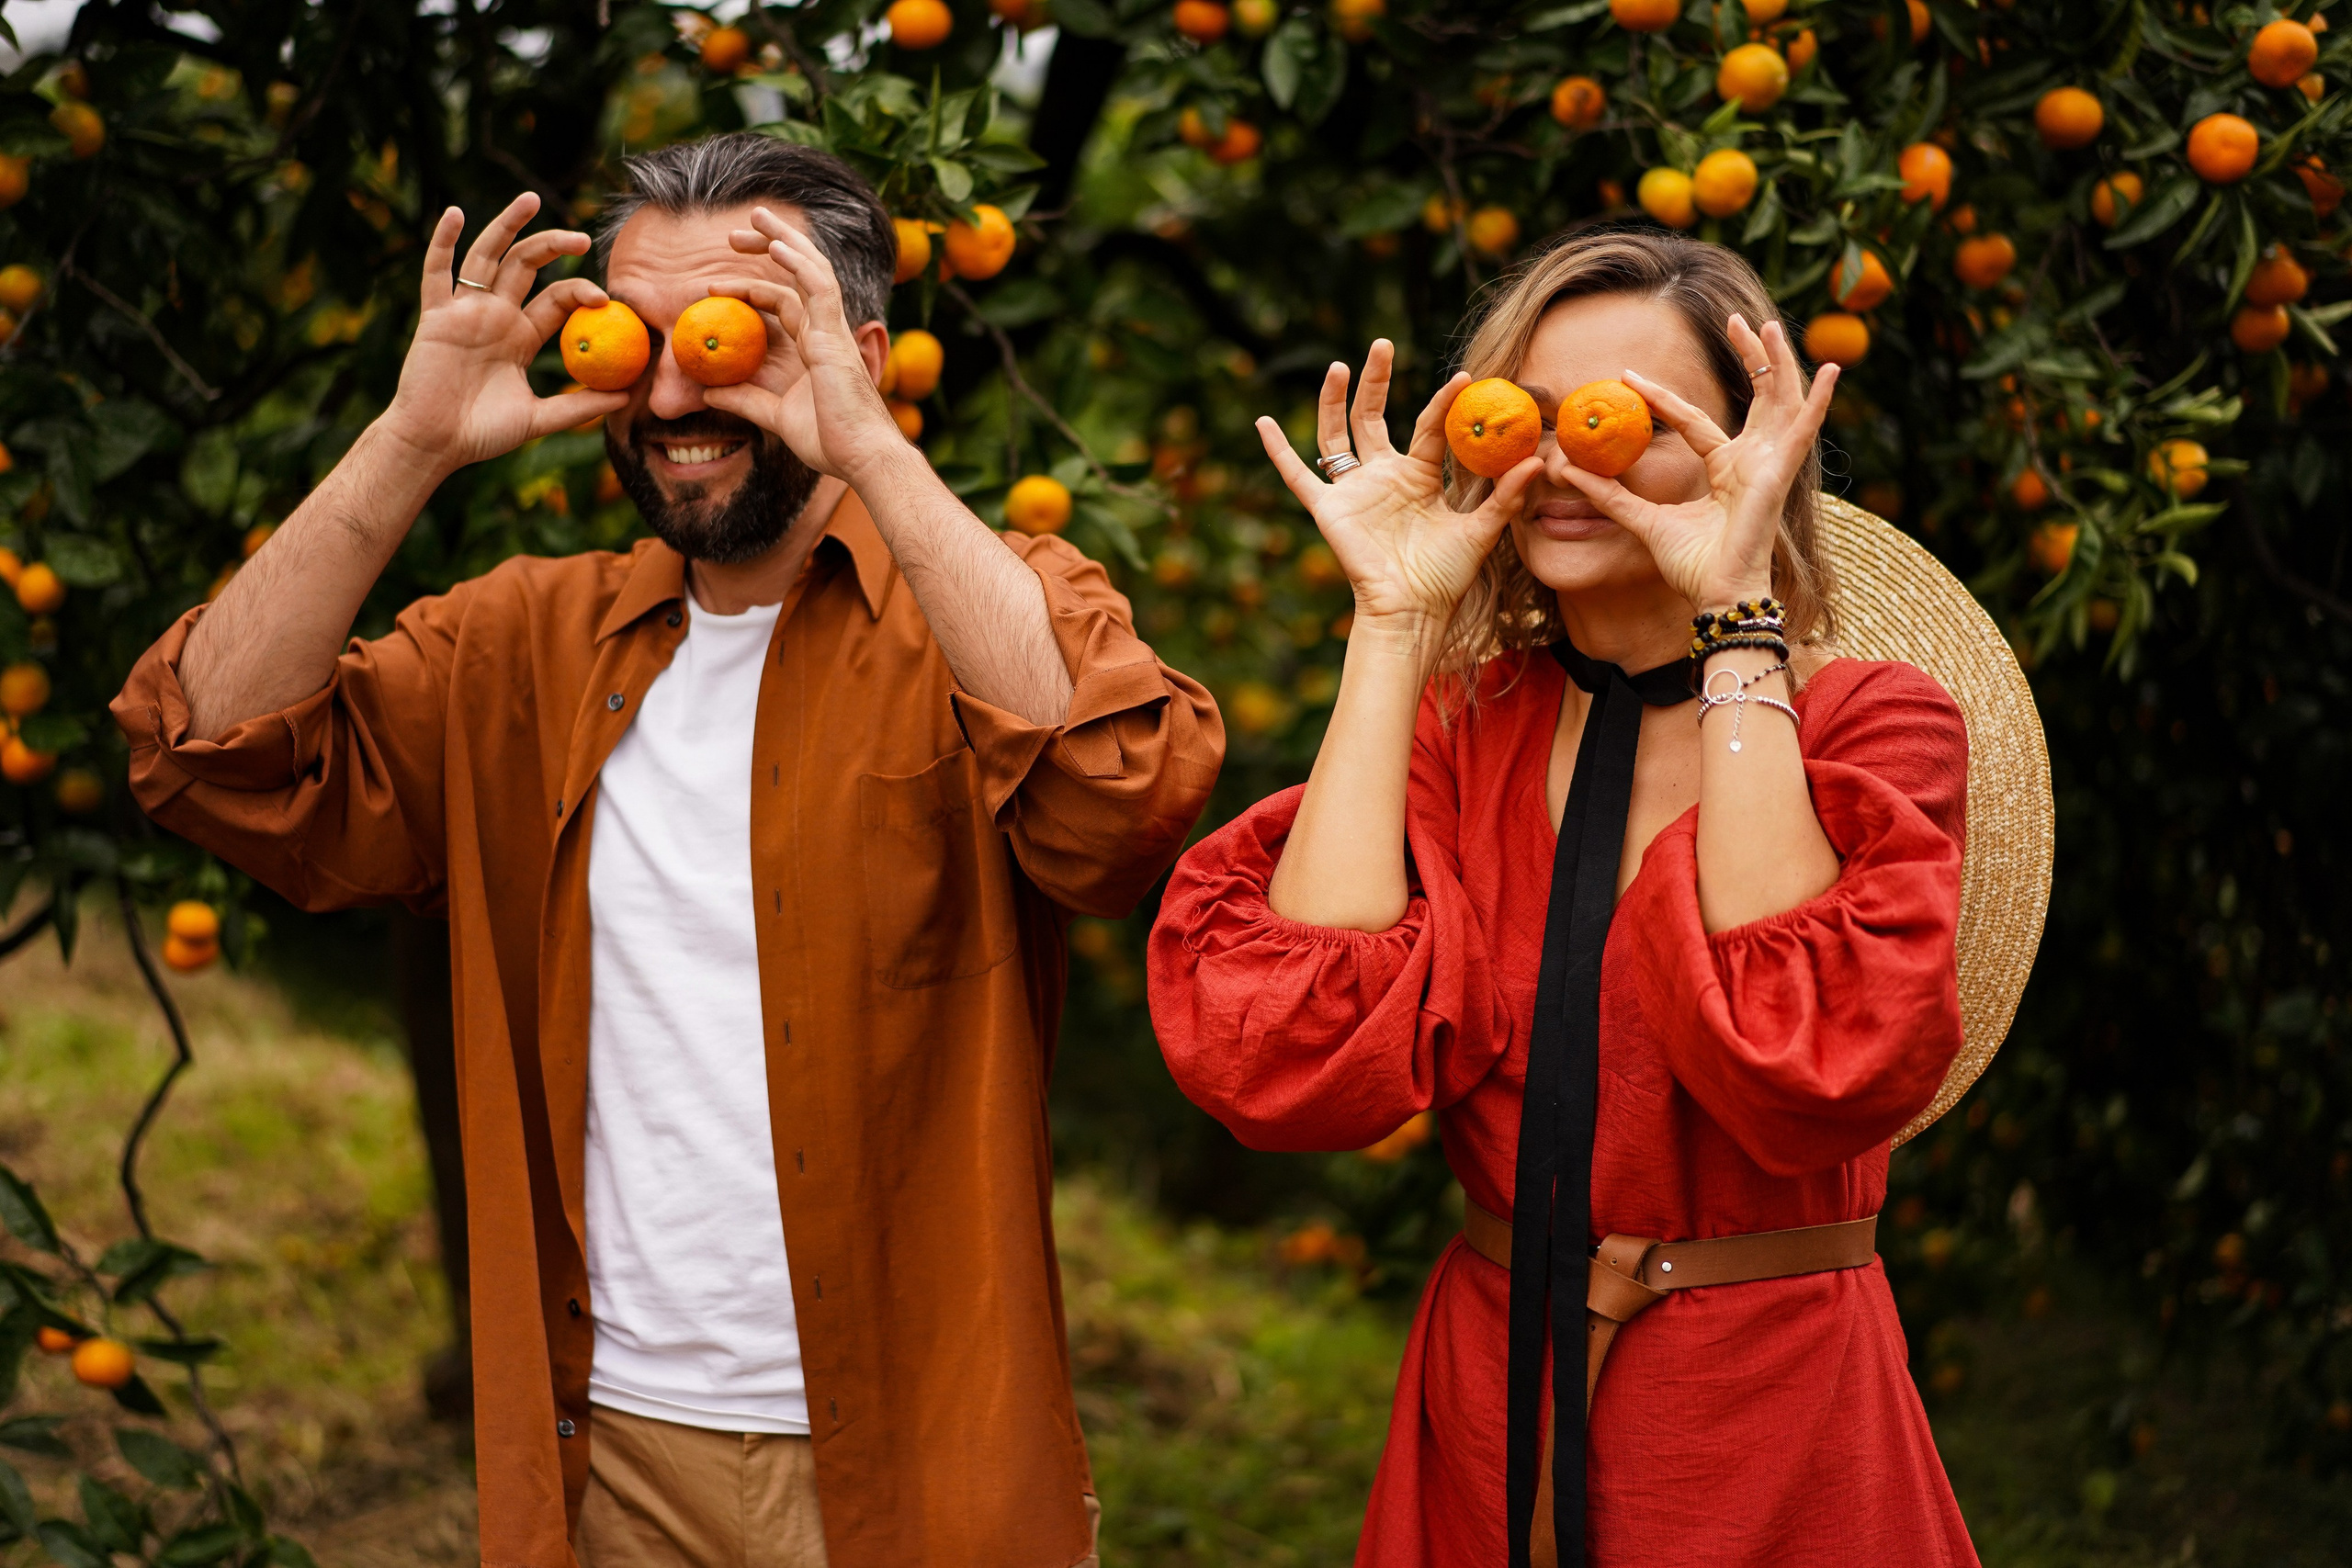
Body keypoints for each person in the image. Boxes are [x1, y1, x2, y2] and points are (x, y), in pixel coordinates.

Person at [113, 132, 1222, 1568]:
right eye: (641, 340)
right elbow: (204, 748)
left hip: (922, 1460)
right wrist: (411, 442)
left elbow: (1119, 801)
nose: (678, 394)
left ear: (859, 356)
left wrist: (868, 449)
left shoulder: (990, 614)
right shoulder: (520, 646)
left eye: (738, 338)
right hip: (610, 1463)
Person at [1147, 229, 1980, 1567]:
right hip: (1490, 1401)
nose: (1561, 461)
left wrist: (1737, 607)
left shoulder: (1872, 725)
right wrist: (1390, 619)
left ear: (1739, 448)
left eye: (1624, 419)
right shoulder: (1465, 726)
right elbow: (1286, 1052)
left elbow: (1812, 1054)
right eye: (1527, 417)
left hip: (1765, 1409)